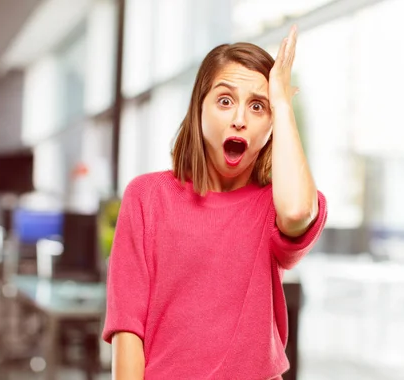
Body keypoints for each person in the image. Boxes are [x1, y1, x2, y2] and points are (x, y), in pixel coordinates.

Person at [102, 25, 327, 380]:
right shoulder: (147, 197)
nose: (239, 119)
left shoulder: (274, 206)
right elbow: (127, 325)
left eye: (258, 107)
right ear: (200, 108)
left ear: (271, 126)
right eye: (225, 101)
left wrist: (282, 103)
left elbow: (299, 211)